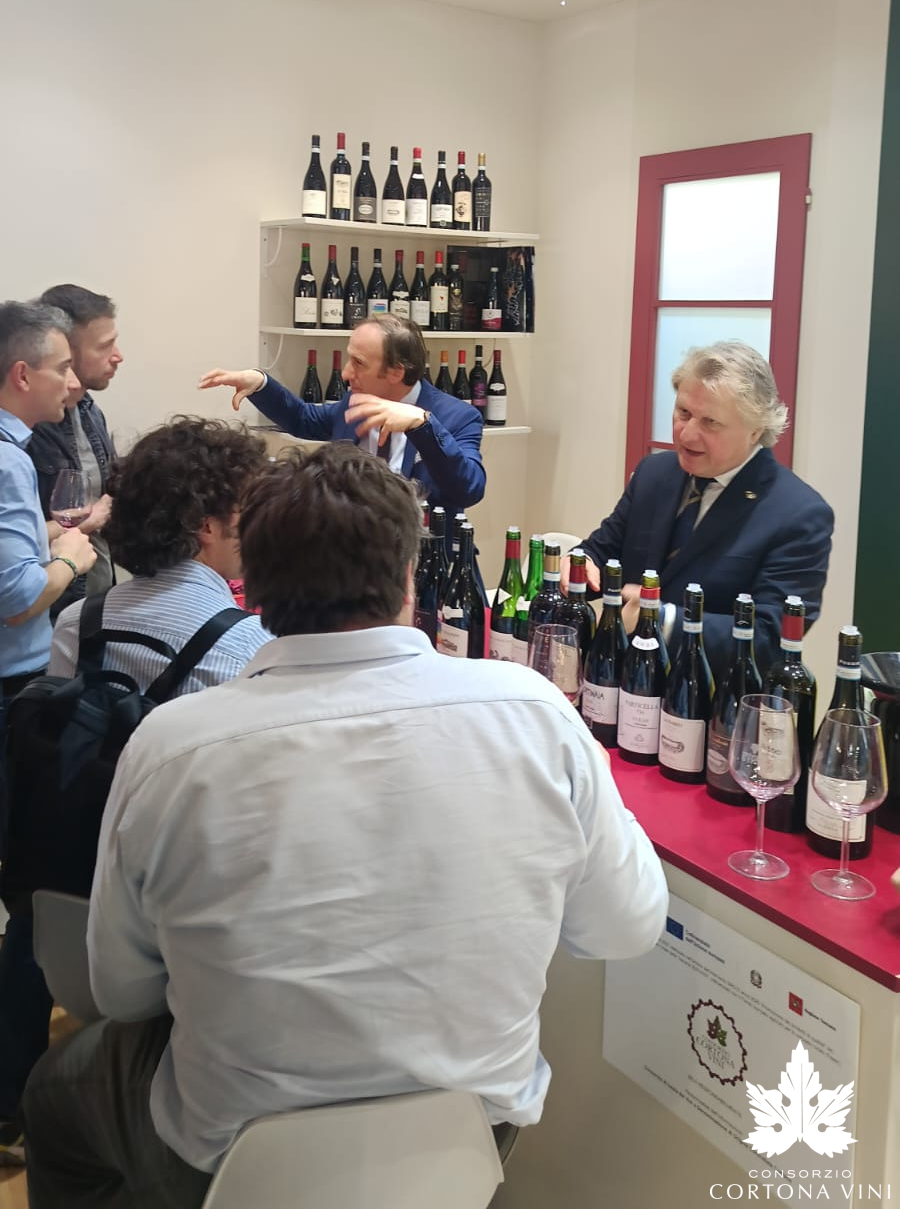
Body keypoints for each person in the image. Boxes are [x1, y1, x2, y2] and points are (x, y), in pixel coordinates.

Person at [22, 442, 668, 1207]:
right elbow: (628, 927)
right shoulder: (535, 714)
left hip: (227, 1164)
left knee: (55, 1094)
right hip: (464, 1146)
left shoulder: (171, 748)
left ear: (253, 583)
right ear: (408, 575)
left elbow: (124, 992)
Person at [0, 417, 273, 1167]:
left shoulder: (81, 619)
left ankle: (8, 1101)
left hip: (67, 889)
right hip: (170, 914)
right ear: (207, 526)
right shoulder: (243, 644)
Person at [566, 341, 834, 678]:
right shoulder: (654, 474)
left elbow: (771, 640)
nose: (687, 434)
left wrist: (663, 620)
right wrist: (579, 563)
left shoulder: (799, 514)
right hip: (623, 680)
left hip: (710, 697)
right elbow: (604, 551)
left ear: (755, 430)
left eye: (710, 422)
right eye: (683, 413)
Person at [198, 313, 485, 516]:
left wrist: (422, 425)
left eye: (359, 363)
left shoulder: (457, 417)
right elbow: (304, 419)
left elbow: (469, 489)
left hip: (423, 566)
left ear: (396, 372)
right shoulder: (355, 402)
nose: (346, 373)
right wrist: (261, 383)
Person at [0, 301, 96, 798]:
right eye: (61, 369)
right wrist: (70, 559)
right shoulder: (9, 463)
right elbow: (17, 601)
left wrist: (49, 533)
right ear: (22, 375)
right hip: (11, 683)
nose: (72, 383)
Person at [28, 284, 124, 616]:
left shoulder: (89, 410)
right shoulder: (26, 428)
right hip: (48, 611)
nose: (118, 356)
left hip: (96, 602)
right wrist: (85, 521)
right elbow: (14, 541)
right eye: (104, 346)